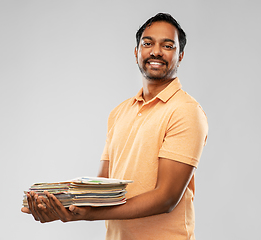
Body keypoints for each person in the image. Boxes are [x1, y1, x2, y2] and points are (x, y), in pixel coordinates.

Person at [21, 12, 208, 240]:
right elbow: (101, 189)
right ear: (136, 52)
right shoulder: (119, 113)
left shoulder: (186, 111)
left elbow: (166, 198)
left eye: (168, 45)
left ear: (180, 56)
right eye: (147, 43)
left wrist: (88, 215)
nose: (156, 51)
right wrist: (61, 208)